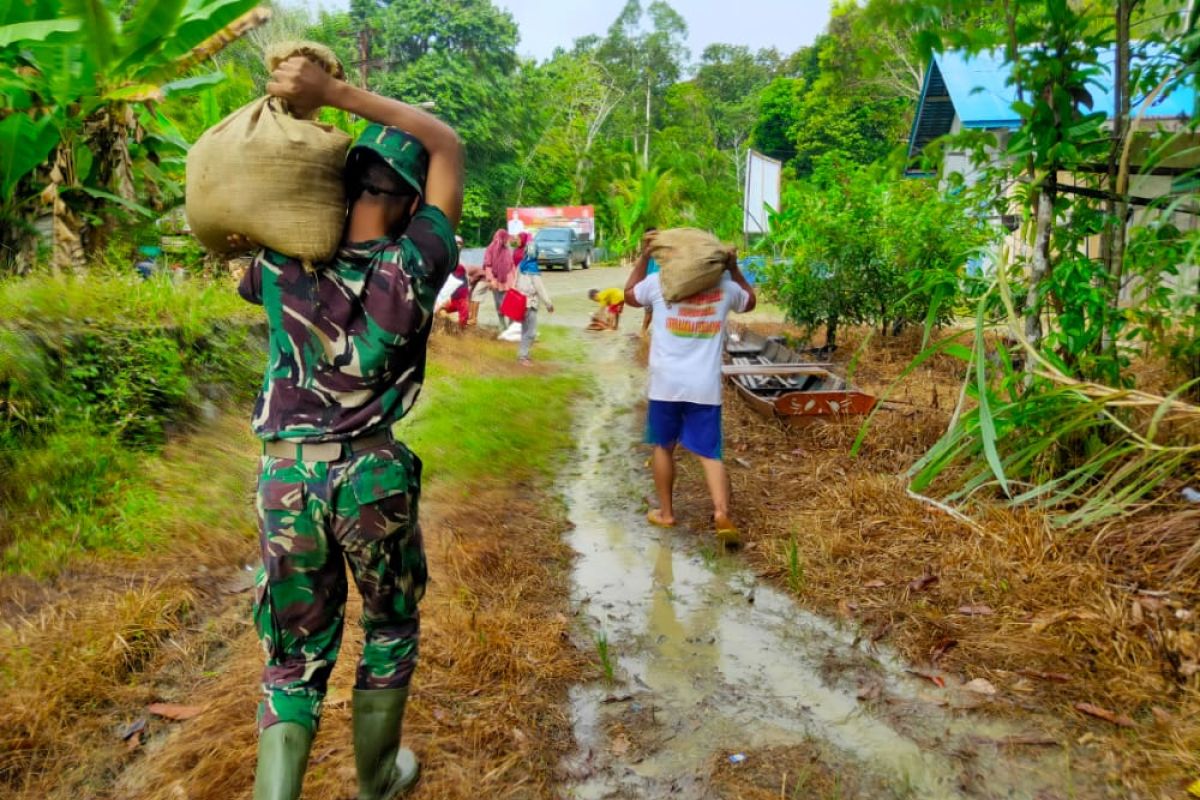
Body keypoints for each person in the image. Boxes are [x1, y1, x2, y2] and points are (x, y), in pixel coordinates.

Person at [230, 53, 464, 800]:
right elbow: (446, 144)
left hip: (286, 474)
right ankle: (375, 779)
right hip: (371, 474)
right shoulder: (416, 262)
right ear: (407, 201)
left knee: (291, 656)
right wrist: (338, 94)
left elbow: (236, 249)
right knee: (390, 626)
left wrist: (311, 111)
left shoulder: (281, 264)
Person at [623, 231, 756, 545]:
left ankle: (667, 513)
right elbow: (750, 302)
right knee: (710, 454)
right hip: (704, 386)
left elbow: (629, 295)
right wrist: (734, 269)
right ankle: (721, 512)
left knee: (663, 447)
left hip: (666, 385)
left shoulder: (659, 284)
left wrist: (644, 256)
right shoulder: (725, 289)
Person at [514, 244, 554, 366]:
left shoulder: (521, 266)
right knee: (531, 332)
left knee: (524, 330)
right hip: (530, 304)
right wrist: (549, 304)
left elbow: (514, 283)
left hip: (520, 302)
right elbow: (540, 289)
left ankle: (523, 354)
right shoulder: (533, 270)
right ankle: (523, 356)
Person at [481, 228, 512, 327]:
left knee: (510, 302)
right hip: (496, 281)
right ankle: (502, 324)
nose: (507, 241)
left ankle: (511, 324)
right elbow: (487, 265)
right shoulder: (491, 249)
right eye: (506, 238)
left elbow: (511, 265)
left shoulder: (507, 249)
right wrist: (490, 280)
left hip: (508, 281)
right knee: (499, 303)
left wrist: (515, 280)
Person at [639, 228, 659, 337]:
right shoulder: (646, 254)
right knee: (648, 315)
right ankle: (643, 332)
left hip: (661, 286)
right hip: (649, 286)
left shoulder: (662, 252)